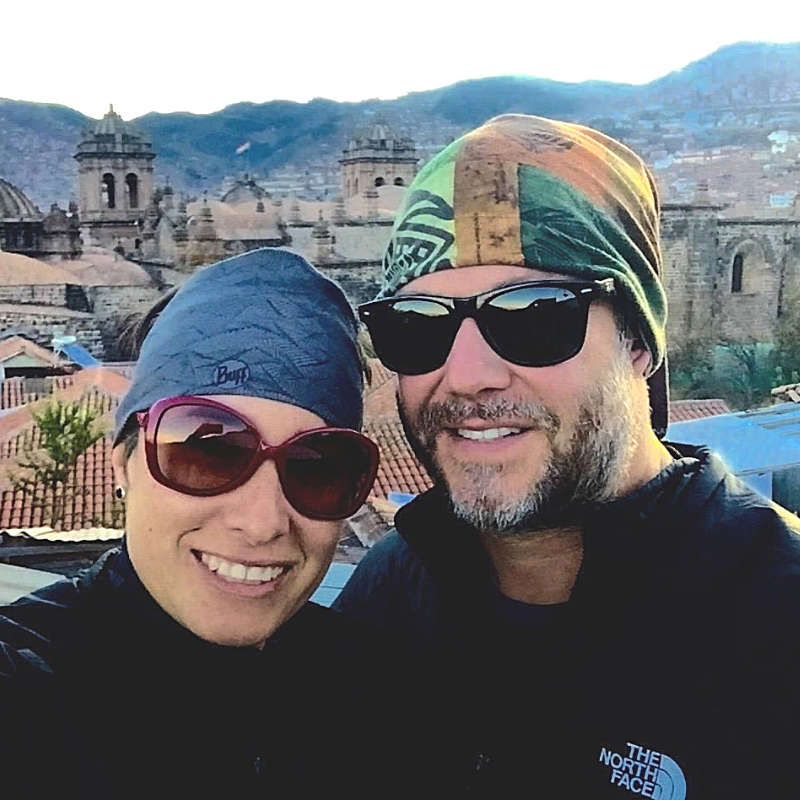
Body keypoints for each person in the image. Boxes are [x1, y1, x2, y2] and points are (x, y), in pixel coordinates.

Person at [334, 114, 800, 799]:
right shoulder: (388, 598)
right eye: (418, 325)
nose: (467, 376)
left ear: (638, 342)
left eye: (533, 315)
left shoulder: (778, 621)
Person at [0, 249, 421, 797]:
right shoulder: (32, 682)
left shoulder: (383, 691)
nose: (263, 522)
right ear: (123, 463)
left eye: (318, 466)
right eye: (208, 452)